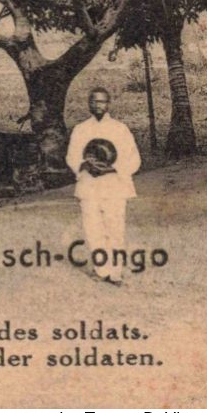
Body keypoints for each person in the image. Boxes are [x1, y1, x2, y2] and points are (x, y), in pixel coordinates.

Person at [64, 87, 141, 285]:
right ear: (89, 104)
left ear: (108, 104)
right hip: (89, 185)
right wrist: (84, 165)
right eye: (94, 101)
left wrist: (112, 168)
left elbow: (133, 159)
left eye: (102, 101)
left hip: (114, 186)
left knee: (115, 228)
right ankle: (102, 270)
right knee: (92, 228)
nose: (98, 105)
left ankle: (115, 272)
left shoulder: (120, 129)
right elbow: (72, 156)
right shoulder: (80, 130)